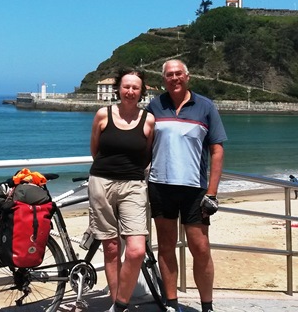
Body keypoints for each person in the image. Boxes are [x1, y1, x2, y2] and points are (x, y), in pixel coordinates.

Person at [146, 60, 226, 312]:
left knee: (200, 249)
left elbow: (217, 149)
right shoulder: (155, 105)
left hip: (195, 189)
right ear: (163, 79)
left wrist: (212, 193)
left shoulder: (205, 106)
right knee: (166, 247)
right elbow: (143, 145)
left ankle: (207, 306)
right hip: (161, 186)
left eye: (178, 73)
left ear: (187, 76)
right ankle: (171, 304)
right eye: (169, 75)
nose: (174, 78)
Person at [88, 67, 155, 312]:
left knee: (136, 250)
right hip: (101, 183)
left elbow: (147, 153)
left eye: (135, 88)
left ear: (141, 91)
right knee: (112, 248)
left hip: (134, 185)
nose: (130, 91)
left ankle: (121, 303)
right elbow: (95, 150)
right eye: (126, 86)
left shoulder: (148, 119)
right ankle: (118, 306)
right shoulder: (102, 115)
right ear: (118, 89)